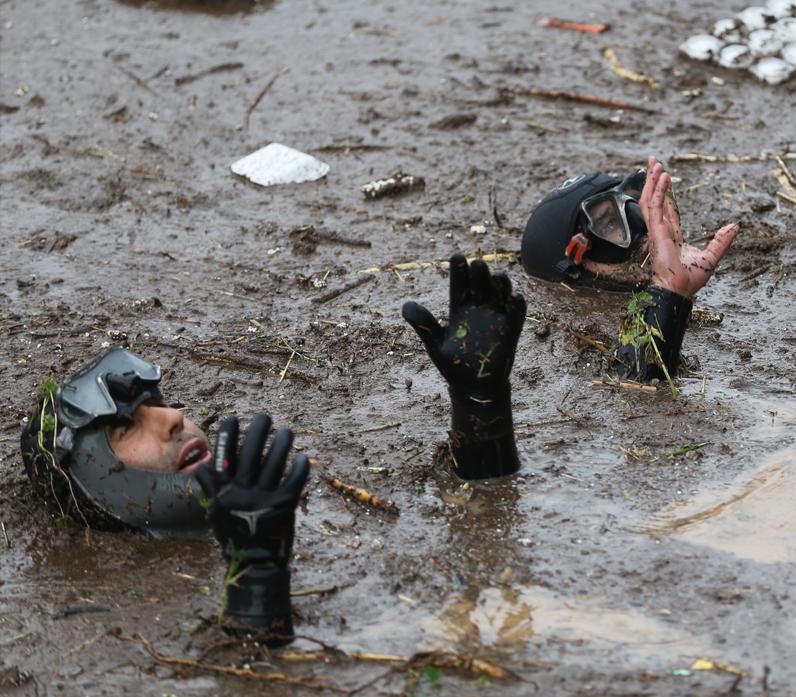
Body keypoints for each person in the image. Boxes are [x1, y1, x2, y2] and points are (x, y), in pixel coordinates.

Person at [19, 256, 527, 639]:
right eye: (127, 427)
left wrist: (481, 412)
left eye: (160, 403)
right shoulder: (124, 617)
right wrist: (255, 582)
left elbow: (489, 535)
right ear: (88, 477)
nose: (174, 419)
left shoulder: (317, 496)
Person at [520, 156, 738, 383]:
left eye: (631, 202)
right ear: (576, 262)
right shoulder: (574, 347)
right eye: (610, 223)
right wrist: (669, 292)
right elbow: (636, 390)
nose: (639, 224)